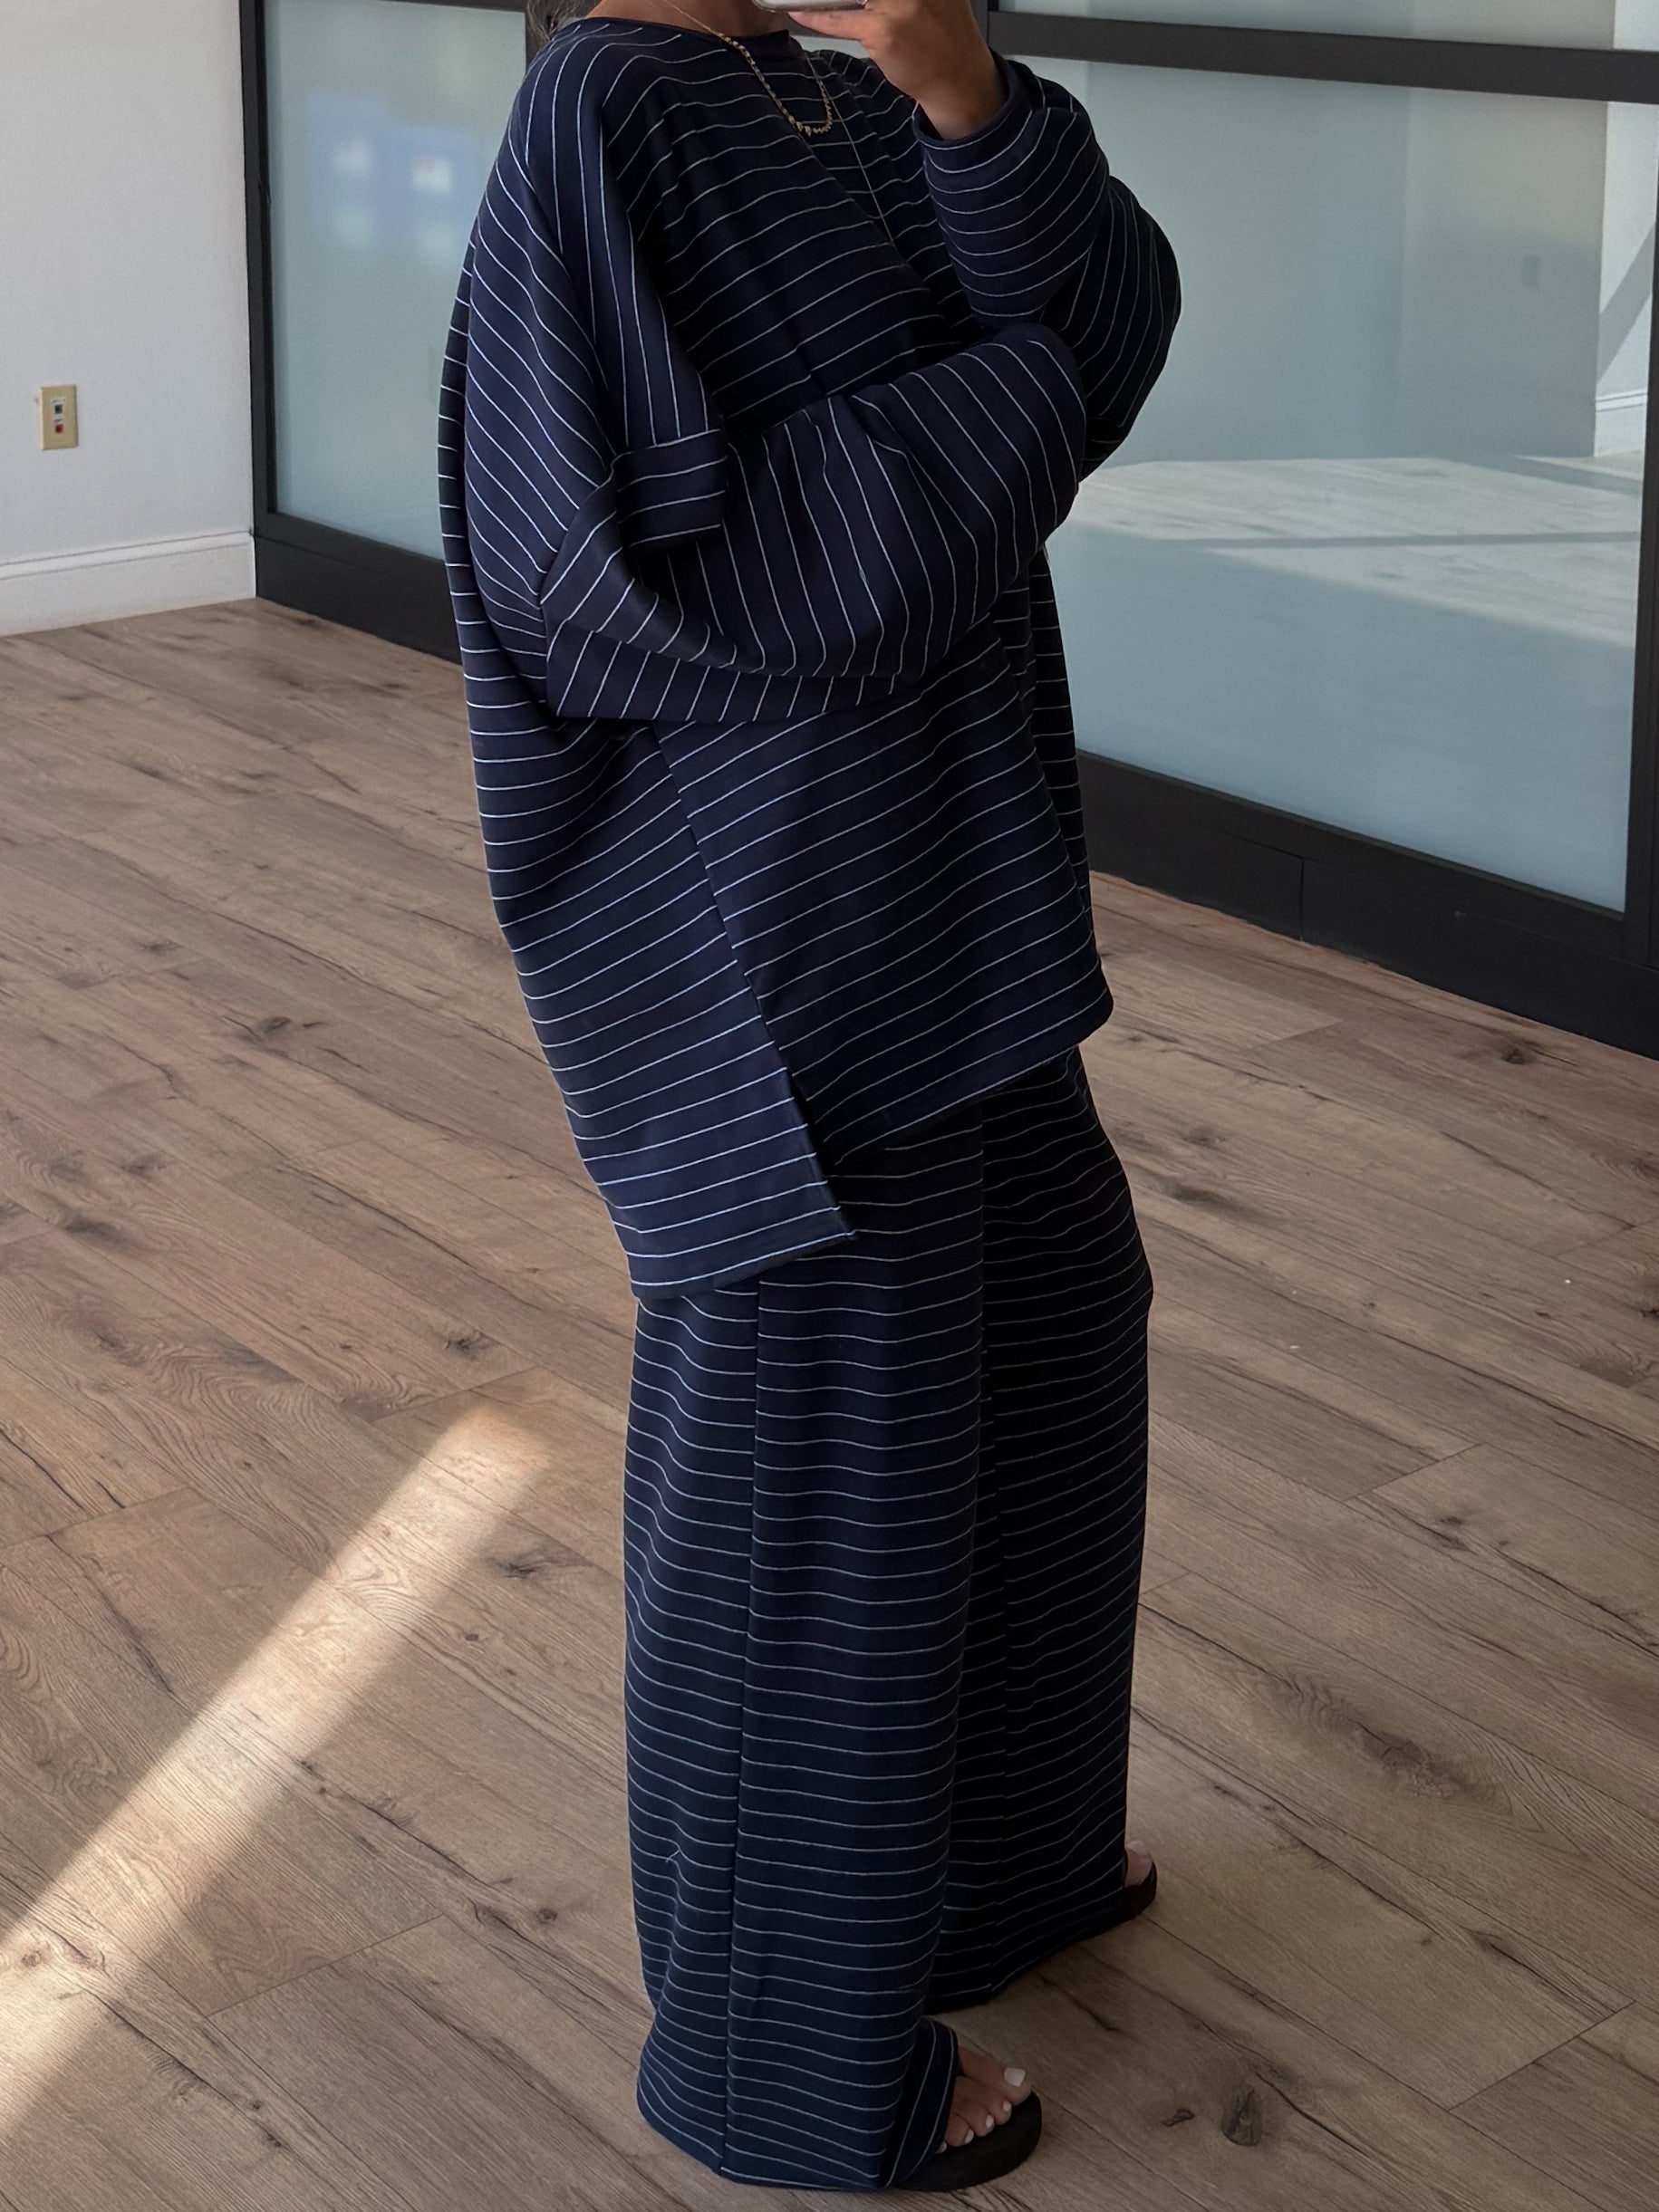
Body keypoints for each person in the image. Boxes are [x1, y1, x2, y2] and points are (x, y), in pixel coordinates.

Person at [438, 0, 1180, 2188]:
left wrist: (961, 94)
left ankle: (997, 1871)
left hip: (951, 883)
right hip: (775, 944)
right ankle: (777, 2059)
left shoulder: (855, 82)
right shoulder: (600, 112)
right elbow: (611, 577)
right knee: (811, 1485)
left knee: (1053, 1341)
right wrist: (1014, 408)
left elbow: (1113, 327)